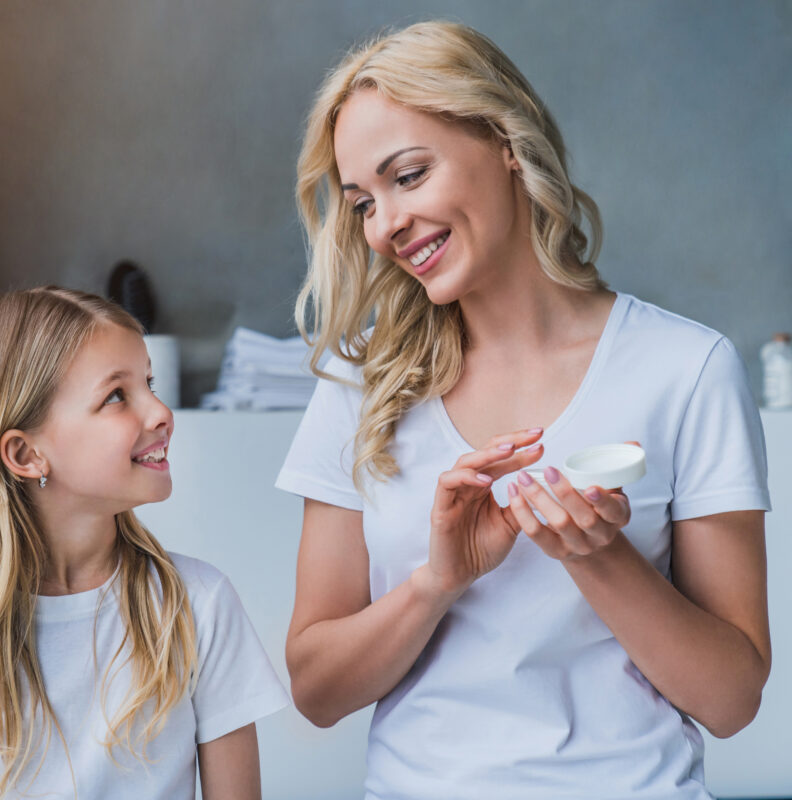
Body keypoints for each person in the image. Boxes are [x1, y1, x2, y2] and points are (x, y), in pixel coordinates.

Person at [276, 20, 770, 800]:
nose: (386, 227)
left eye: (408, 176)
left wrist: (598, 556)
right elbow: (317, 691)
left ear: (505, 141)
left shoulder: (686, 368)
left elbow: (732, 700)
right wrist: (436, 582)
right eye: (362, 202)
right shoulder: (360, 381)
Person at [0, 287, 288, 799]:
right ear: (26, 454)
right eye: (117, 395)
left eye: (149, 383)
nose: (160, 412)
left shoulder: (198, 605)